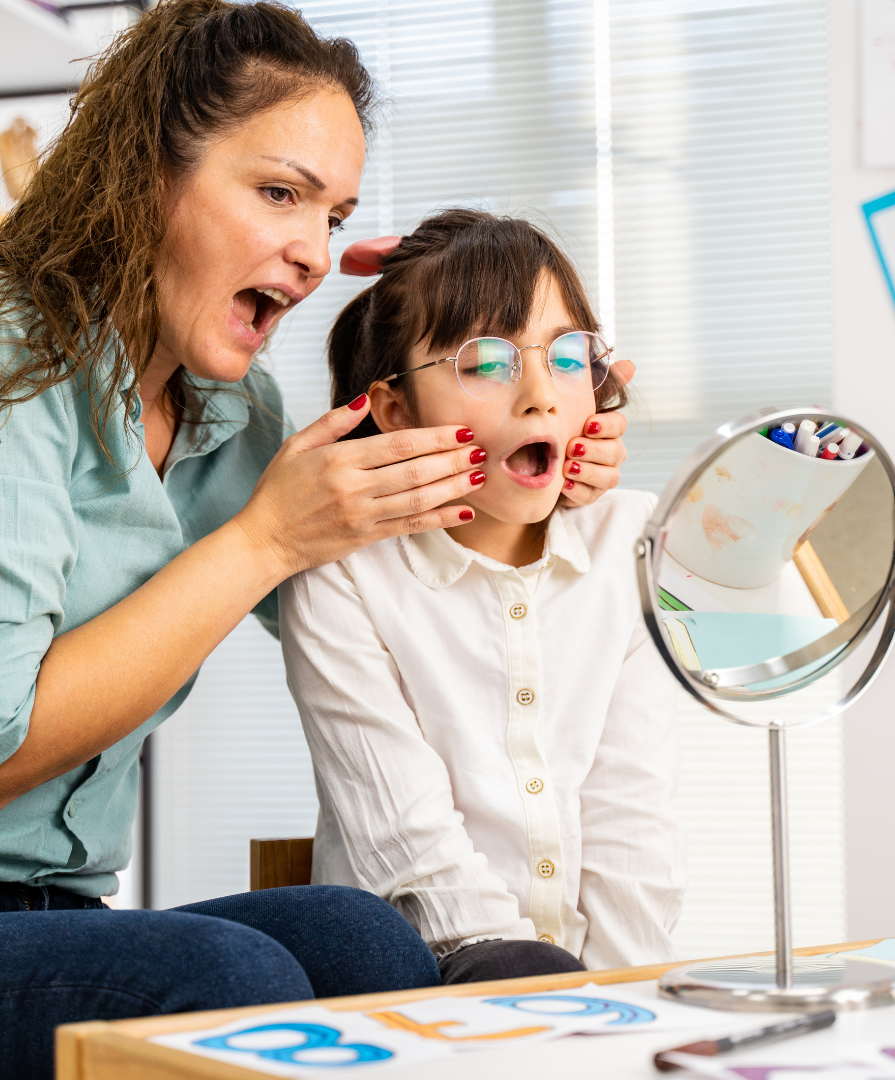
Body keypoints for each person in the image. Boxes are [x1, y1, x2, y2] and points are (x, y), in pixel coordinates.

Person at [0, 2, 628, 1073]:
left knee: (360, 937)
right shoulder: (21, 364)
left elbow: (385, 617)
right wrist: (261, 544)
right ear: (145, 173)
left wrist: (530, 472)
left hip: (61, 906)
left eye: (332, 216)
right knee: (234, 983)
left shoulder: (230, 419)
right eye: (280, 193)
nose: (308, 251)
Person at [280, 209, 686, 985]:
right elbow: (404, 839)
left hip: (585, 1003)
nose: (539, 394)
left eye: (568, 356)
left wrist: (629, 1005)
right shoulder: (344, 569)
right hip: (409, 979)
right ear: (395, 408)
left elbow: (634, 821)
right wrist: (544, 999)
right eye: (486, 363)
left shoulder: (631, 542)